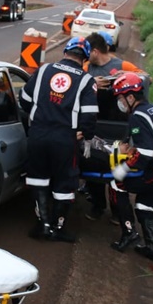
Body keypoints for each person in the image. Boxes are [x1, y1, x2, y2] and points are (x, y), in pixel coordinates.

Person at [19, 36, 99, 243]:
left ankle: (43, 225)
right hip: (64, 139)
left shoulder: (44, 70)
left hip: (37, 135)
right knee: (64, 182)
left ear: (65, 52)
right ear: (85, 59)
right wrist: (85, 134)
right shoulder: (86, 80)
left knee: (38, 178)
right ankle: (58, 227)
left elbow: (25, 100)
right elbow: (90, 115)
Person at [108, 72, 153, 262]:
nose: (121, 103)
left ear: (131, 97)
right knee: (144, 205)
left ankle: (128, 233)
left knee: (117, 184)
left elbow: (146, 153)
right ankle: (152, 249)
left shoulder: (137, 117)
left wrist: (121, 169)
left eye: (121, 98)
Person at [81, 31, 152, 222]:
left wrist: (127, 75)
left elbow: (147, 78)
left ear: (96, 51)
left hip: (120, 124)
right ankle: (97, 205)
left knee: (117, 169)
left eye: (88, 52)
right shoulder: (87, 68)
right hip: (95, 122)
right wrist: (91, 83)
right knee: (93, 166)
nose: (86, 56)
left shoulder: (121, 65)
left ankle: (117, 211)